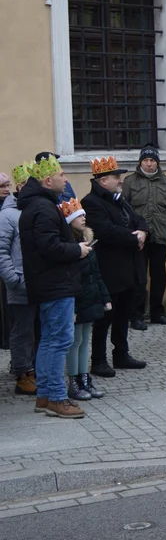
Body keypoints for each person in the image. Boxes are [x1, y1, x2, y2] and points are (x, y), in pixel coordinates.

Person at [19, 154, 90, 418]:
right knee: (60, 341)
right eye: (62, 175)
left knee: (50, 340)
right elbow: (49, 247)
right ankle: (58, 399)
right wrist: (77, 250)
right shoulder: (43, 208)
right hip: (55, 283)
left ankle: (45, 397)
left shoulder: (39, 205)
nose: (66, 178)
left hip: (48, 282)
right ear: (48, 181)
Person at [82, 157, 148, 377]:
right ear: (103, 181)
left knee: (123, 314)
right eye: (116, 177)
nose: (120, 180)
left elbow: (139, 219)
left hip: (128, 268)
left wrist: (143, 232)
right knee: (104, 317)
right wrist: (134, 238)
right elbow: (105, 230)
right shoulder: (91, 202)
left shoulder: (120, 199)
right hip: (109, 270)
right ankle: (98, 360)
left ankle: (121, 353)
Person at [122, 144, 166, 328]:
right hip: (138, 239)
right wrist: (127, 236)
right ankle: (137, 315)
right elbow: (123, 210)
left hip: (160, 236)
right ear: (141, 162)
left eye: (152, 160)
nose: (149, 164)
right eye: (146, 160)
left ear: (157, 163)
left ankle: (157, 313)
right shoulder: (130, 182)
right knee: (139, 277)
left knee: (159, 276)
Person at [63, 199, 109, 400]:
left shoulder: (88, 241)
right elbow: (69, 276)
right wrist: (71, 306)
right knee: (74, 341)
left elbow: (96, 273)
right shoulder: (68, 246)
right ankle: (73, 381)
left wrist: (104, 296)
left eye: (83, 215)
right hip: (76, 299)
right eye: (79, 216)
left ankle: (85, 378)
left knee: (84, 341)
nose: (84, 218)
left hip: (90, 297)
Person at [1, 164, 35, 396]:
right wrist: (14, 279)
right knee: (21, 329)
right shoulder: (8, 214)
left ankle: (30, 368)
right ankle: (22, 372)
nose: (7, 188)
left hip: (37, 280)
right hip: (18, 281)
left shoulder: (32, 210)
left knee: (34, 328)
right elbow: (2, 250)